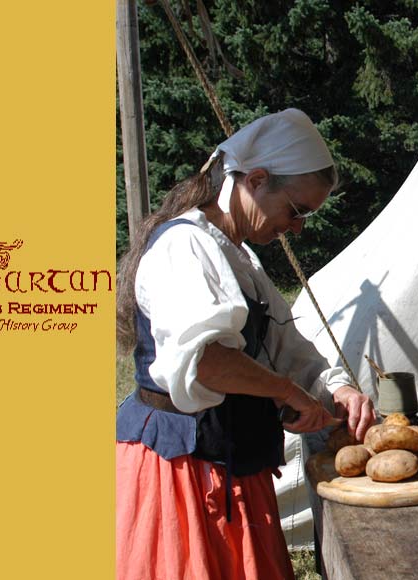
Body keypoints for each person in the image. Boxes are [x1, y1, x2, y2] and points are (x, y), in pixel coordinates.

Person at [114, 108, 375, 580]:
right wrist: (285, 392)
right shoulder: (185, 248)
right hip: (184, 473)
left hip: (230, 465)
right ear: (256, 179)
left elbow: (285, 344)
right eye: (296, 211)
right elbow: (208, 361)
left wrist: (334, 388)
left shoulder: (240, 257)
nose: (298, 228)